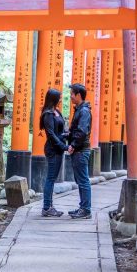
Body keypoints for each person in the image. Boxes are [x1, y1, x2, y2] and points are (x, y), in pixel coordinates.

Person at [40, 88, 67, 217]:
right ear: (54, 98)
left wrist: (68, 136)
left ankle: (49, 206)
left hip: (58, 149)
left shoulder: (56, 112)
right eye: (59, 97)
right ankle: (46, 207)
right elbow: (50, 134)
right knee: (50, 178)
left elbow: (60, 131)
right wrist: (63, 146)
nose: (61, 99)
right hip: (53, 149)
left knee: (52, 178)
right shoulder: (48, 114)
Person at [67, 83, 92, 219]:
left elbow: (82, 131)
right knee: (81, 180)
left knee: (83, 180)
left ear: (78, 95)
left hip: (81, 150)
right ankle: (83, 207)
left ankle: (86, 210)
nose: (70, 96)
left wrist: (74, 145)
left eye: (72, 94)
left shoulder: (83, 111)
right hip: (79, 149)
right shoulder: (80, 110)